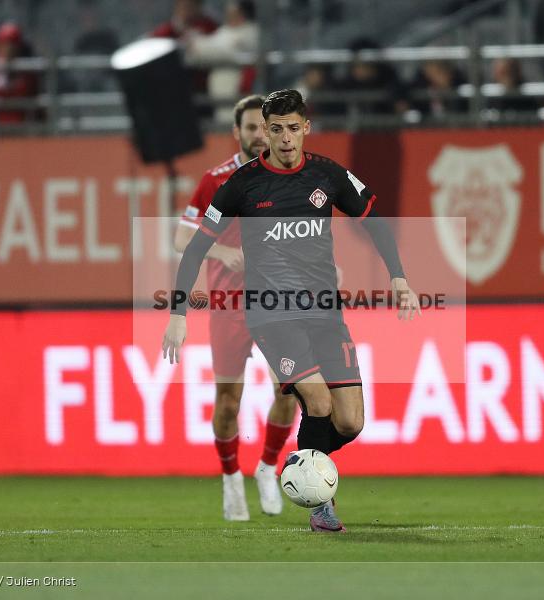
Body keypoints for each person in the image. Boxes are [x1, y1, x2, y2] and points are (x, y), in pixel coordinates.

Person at [163, 89, 421, 533]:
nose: (285, 139)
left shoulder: (328, 175)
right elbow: (194, 249)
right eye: (276, 129)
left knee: (351, 421)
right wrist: (178, 314)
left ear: (307, 128)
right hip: (271, 314)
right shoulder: (241, 185)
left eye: (293, 128)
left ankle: (299, 462)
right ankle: (320, 504)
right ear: (265, 131)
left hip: (325, 312)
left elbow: (374, 220)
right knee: (317, 401)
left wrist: (398, 276)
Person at [173, 95, 296, 521]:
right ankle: (230, 479)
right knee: (228, 403)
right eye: (250, 128)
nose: (259, 135)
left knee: (291, 389)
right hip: (229, 307)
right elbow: (180, 241)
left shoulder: (288, 177)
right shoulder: (215, 181)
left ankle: (267, 466)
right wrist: (221, 254)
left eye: (265, 127)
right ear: (236, 133)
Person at [184, 1, 259, 125]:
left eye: (234, 12)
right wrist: (197, 45)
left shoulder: (250, 32)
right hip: (218, 93)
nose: (230, 15)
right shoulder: (225, 31)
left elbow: (225, 51)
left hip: (237, 90)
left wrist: (197, 46)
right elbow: (199, 52)